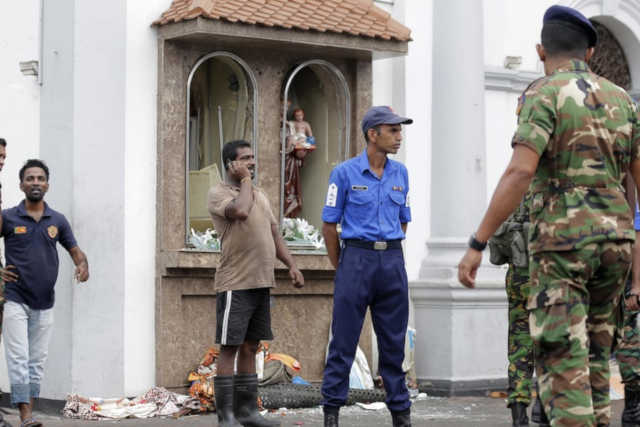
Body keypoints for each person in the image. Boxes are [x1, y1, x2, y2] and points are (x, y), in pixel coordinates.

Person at [458, 5, 640, 426]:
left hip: (564, 245)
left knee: (561, 360)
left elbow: (520, 171)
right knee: (595, 358)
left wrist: (477, 242)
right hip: (615, 247)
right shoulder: (622, 101)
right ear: (590, 53)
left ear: (541, 50)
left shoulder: (542, 93)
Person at [321, 106, 413, 427]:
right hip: (356, 260)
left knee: (394, 344)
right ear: (373, 134)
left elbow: (403, 221)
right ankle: (331, 413)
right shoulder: (344, 173)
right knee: (343, 342)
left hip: (392, 261)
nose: (399, 137)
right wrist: (344, 266)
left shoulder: (401, 173)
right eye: (393, 130)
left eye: (400, 131)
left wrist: (387, 250)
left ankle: (401, 414)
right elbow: (329, 226)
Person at [208, 140, 304, 427]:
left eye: (253, 157)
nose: (252, 162)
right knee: (230, 347)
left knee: (251, 346)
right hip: (235, 283)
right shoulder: (219, 193)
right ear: (231, 164)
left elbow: (274, 234)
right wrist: (246, 181)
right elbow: (240, 211)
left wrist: (292, 265)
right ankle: (226, 416)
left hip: (261, 282)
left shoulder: (259, 194)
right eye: (246, 158)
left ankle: (247, 412)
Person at [0, 159, 89, 427]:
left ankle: (28, 414)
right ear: (21, 185)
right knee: (19, 359)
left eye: (40, 178)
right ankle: (26, 417)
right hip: (15, 300)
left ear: (47, 185)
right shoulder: (8, 217)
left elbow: (75, 251)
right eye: (30, 178)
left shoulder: (57, 220)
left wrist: (83, 265)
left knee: (36, 362)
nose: (35, 182)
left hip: (45, 303)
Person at [488, 196, 538, 426]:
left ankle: (519, 414)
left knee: (519, 347)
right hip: (549, 279)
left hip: (518, 277)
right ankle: (543, 409)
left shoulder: (516, 193)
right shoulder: (555, 191)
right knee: (552, 345)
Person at [615, 206, 640, 426]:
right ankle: (632, 409)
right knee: (629, 341)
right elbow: (636, 243)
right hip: (622, 281)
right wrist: (636, 285)